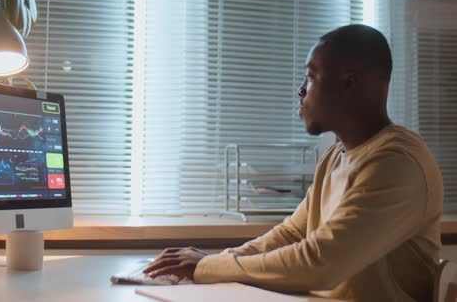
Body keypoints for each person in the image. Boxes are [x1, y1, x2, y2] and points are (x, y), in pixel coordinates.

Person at [143, 24, 443, 302]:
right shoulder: (336, 157)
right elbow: (290, 235)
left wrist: (209, 267)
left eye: (311, 77)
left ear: (350, 83)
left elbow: (320, 263)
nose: (301, 90)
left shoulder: (396, 164)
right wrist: (213, 261)